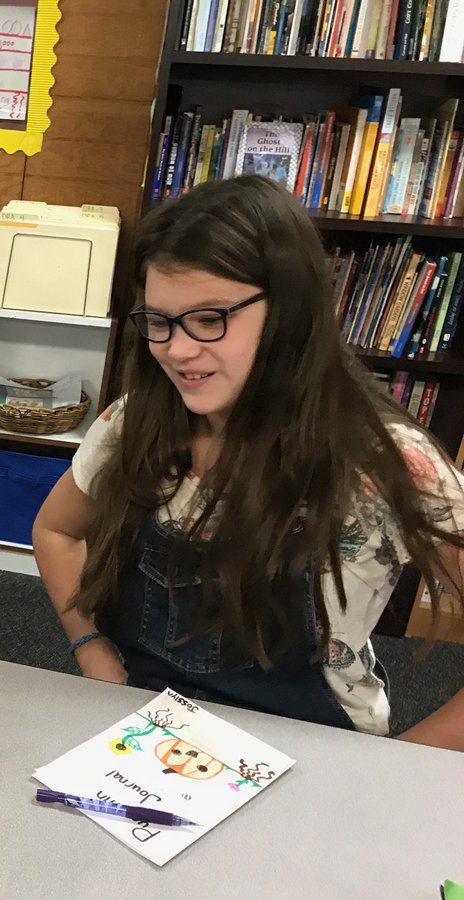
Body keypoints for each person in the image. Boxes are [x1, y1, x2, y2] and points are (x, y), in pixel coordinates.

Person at [33, 175, 464, 749]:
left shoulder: (391, 464)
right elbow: (56, 530)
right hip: (147, 726)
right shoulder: (137, 422)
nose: (178, 350)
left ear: (288, 310)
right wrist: (95, 658)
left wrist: (397, 765)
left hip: (313, 747)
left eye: (211, 318)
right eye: (159, 322)